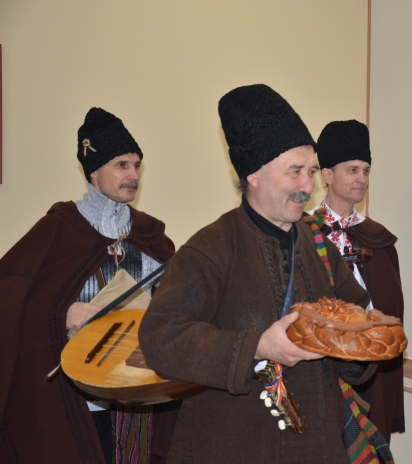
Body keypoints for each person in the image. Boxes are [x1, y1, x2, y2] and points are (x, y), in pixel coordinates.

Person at [138, 84, 377, 463]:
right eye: (294, 172)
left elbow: (358, 316)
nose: (308, 186)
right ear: (254, 175)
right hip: (231, 447)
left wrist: (362, 343)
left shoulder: (318, 245)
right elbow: (161, 338)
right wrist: (258, 347)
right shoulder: (211, 247)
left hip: (318, 449)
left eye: (311, 171)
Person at [0, 108, 176, 463]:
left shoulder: (152, 238)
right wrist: (62, 313)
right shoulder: (59, 229)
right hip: (76, 400)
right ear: (93, 171)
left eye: (137, 165)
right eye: (121, 165)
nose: (133, 175)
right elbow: (11, 302)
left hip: (137, 392)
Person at [306, 119, 405, 443]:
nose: (362, 178)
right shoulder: (304, 234)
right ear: (327, 175)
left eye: (366, 170)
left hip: (370, 369)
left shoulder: (379, 239)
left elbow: (392, 310)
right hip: (320, 369)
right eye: (352, 170)